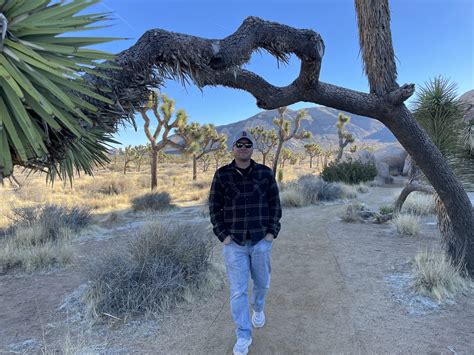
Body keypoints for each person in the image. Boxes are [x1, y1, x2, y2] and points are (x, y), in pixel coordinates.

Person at [209, 130, 282, 355]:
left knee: (262, 283)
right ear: (233, 148)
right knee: (238, 291)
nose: (243, 147)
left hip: (261, 240)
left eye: (247, 144)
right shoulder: (222, 175)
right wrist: (224, 236)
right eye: (239, 144)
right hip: (235, 243)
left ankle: (258, 307)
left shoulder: (265, 173)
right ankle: (243, 334)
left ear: (252, 148)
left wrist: (271, 233)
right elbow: (214, 207)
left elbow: (275, 205)